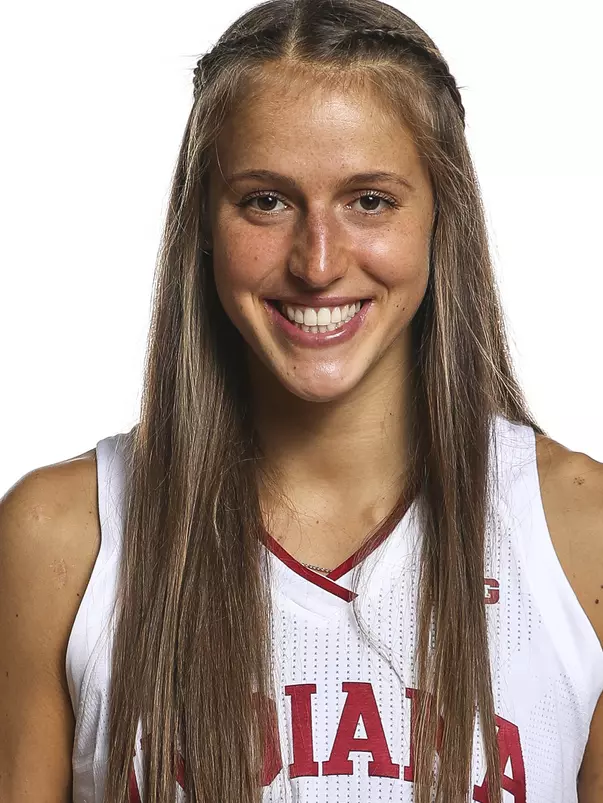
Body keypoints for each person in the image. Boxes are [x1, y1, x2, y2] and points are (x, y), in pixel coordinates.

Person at [1, 0, 602, 801]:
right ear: (203, 223)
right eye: (266, 200)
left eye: (370, 201)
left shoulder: (577, 536)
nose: (317, 264)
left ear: (440, 216)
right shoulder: (64, 537)